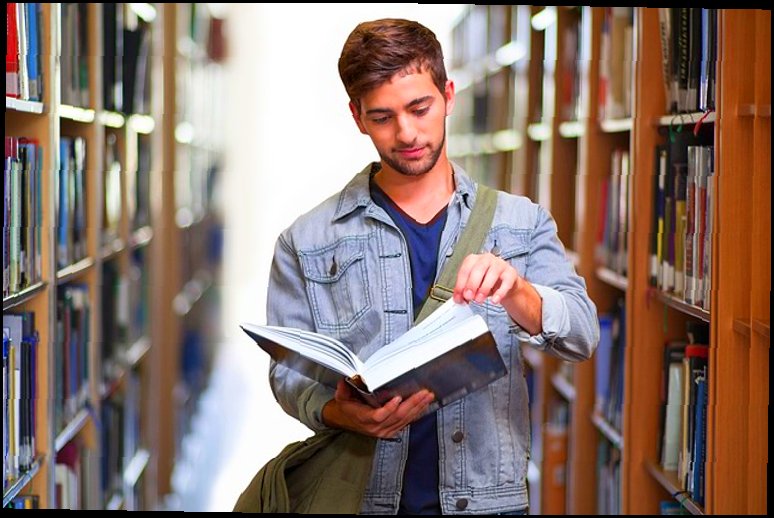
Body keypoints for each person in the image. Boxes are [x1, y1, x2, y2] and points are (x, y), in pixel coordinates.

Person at [265, 18, 599, 515]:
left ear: (448, 94)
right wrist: (339, 412)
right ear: (357, 116)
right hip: (361, 499)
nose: (406, 133)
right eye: (382, 117)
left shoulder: (520, 223)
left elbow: (583, 334)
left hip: (488, 503)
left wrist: (518, 292)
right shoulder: (306, 239)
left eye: (420, 108)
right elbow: (287, 374)